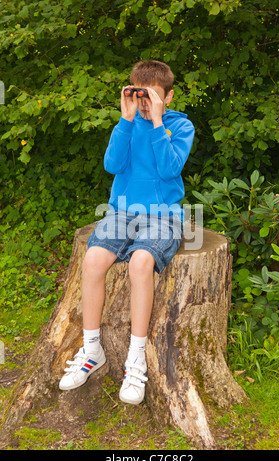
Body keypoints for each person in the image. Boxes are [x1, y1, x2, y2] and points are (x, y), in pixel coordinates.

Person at [59, 60, 195, 405]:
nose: (146, 104)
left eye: (153, 98)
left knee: (139, 263)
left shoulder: (179, 125)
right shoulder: (128, 123)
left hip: (164, 216)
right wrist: (126, 118)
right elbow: (112, 165)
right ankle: (92, 351)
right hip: (122, 213)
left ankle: (135, 358)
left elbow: (169, 168)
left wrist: (157, 122)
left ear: (169, 96)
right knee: (92, 260)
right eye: (141, 96)